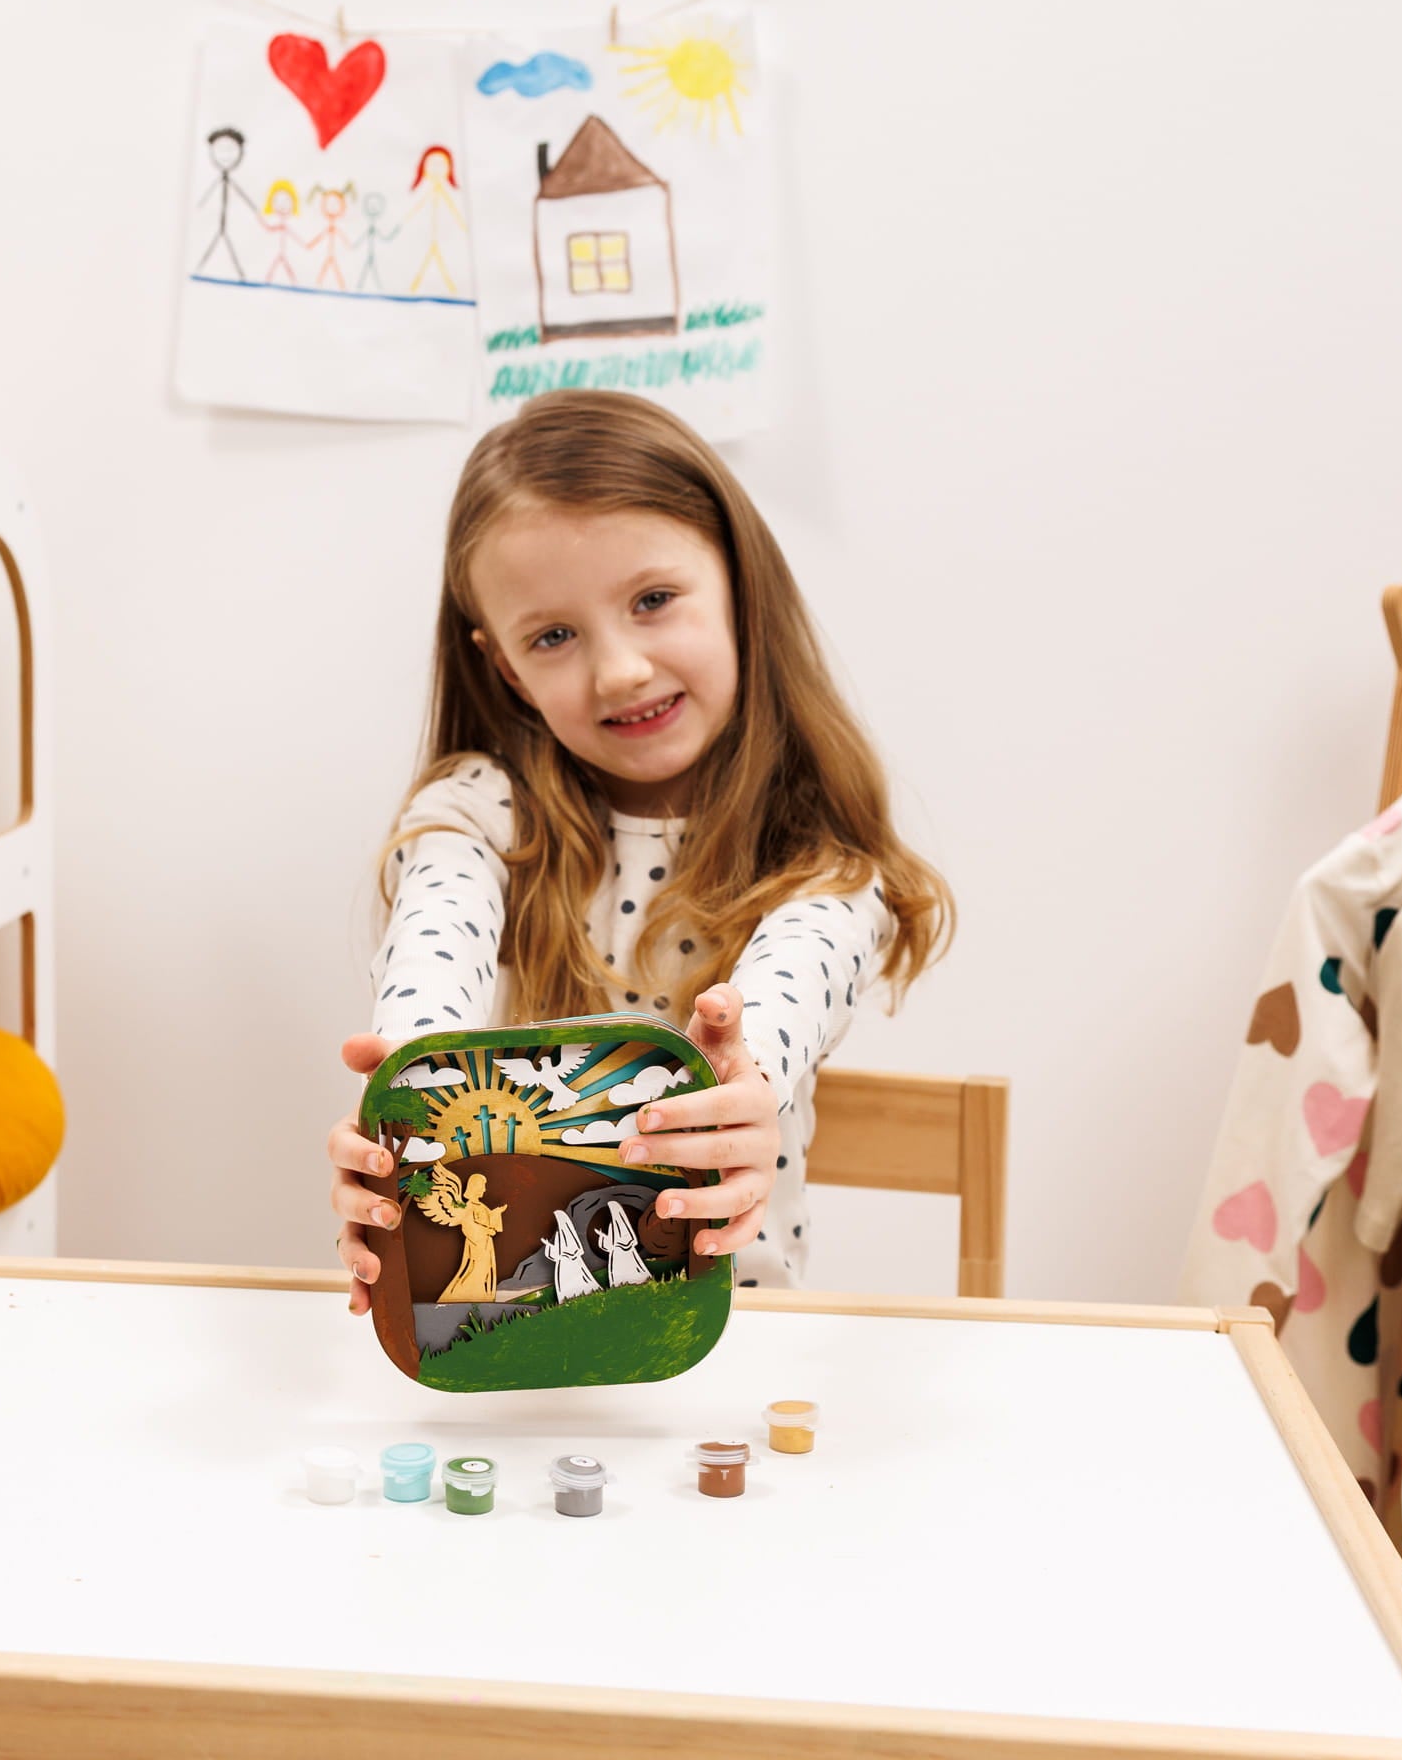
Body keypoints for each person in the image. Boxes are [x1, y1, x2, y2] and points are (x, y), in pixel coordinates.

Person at [325, 390, 951, 1311]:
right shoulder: (476, 815)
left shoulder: (825, 866)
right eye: (553, 635)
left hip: (741, 1330)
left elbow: (771, 1030)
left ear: (738, 581)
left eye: (653, 600)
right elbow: (431, 966)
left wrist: (741, 1086)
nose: (618, 669)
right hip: (511, 1325)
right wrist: (401, 1125)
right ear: (504, 666)